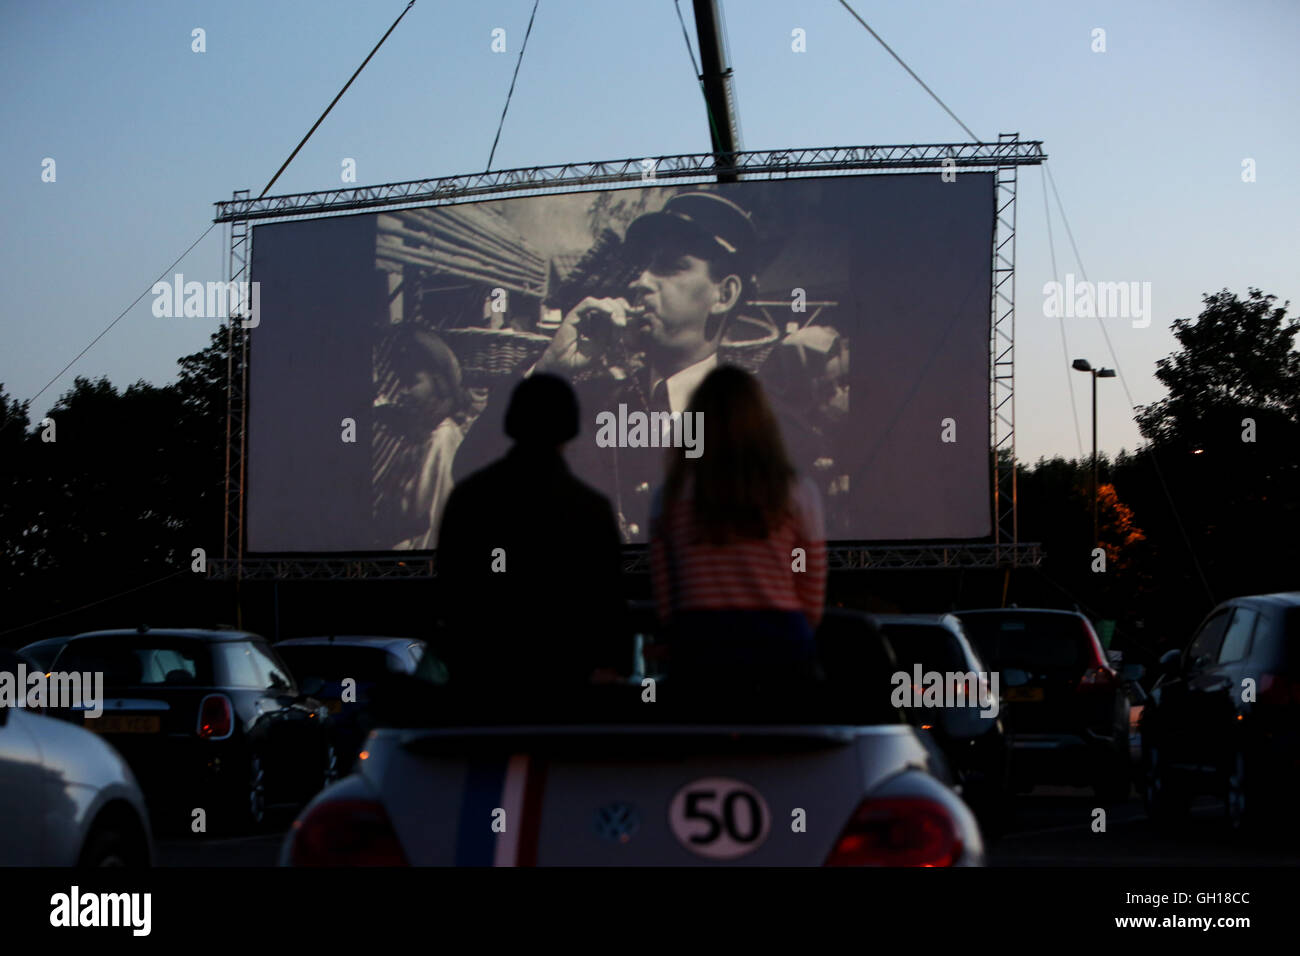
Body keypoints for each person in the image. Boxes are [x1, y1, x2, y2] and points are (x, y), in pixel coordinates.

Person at [453, 191, 807, 542]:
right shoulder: (593, 409)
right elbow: (473, 475)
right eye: (644, 267)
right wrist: (549, 370)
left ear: (724, 295)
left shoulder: (773, 431)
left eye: (669, 266)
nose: (640, 282)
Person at [434, 373, 629, 712]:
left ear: (511, 422)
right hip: (568, 687)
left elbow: (450, 594)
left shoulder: (469, 499)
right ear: (570, 427)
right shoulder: (590, 509)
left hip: (485, 686)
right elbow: (609, 603)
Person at [648, 365, 827, 701]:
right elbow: (811, 591)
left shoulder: (669, 497)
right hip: (782, 643)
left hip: (700, 646)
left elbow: (666, 599)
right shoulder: (798, 492)